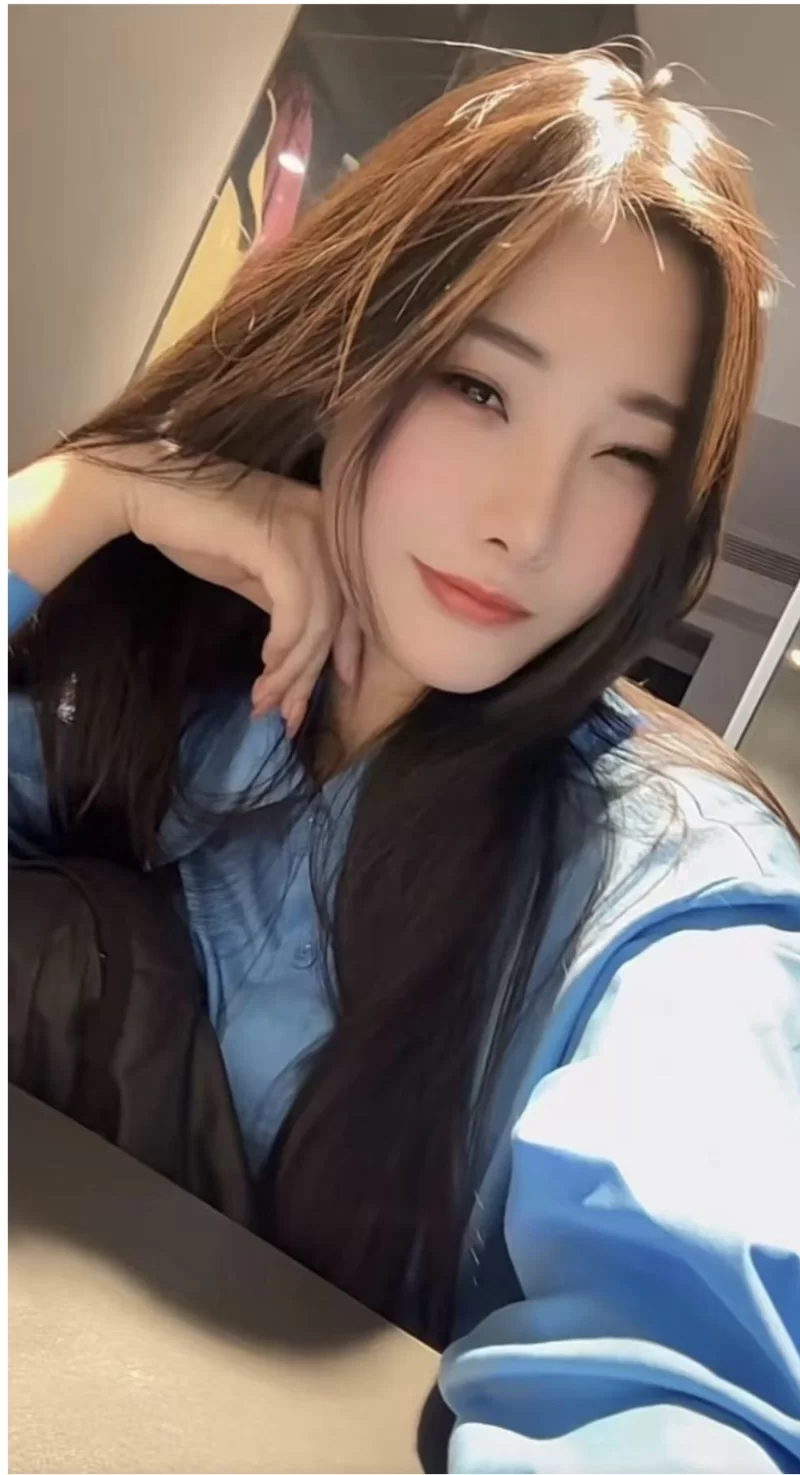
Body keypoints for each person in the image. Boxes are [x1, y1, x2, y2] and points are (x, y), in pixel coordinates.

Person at [8, 48, 800, 1473]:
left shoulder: (676, 892)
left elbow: (680, 1386)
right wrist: (81, 498)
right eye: (480, 388)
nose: (527, 522)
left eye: (627, 457)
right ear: (352, 352)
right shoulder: (163, 660)